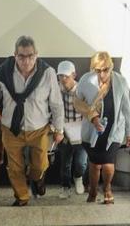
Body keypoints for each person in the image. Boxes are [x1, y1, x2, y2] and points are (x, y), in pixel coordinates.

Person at [0, 36, 64, 206]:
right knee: (15, 167)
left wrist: (59, 129)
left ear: (37, 55)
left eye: (30, 56)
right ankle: (22, 197)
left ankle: (37, 178)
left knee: (40, 165)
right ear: (14, 55)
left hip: (39, 128)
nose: (26, 61)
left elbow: (56, 103)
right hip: (10, 128)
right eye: (21, 56)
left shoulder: (47, 73)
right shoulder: (3, 72)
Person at [74, 51, 130, 205]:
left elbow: (127, 108)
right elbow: (77, 102)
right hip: (92, 129)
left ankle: (107, 188)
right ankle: (93, 190)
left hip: (113, 130)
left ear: (111, 67)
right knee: (94, 164)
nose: (102, 74)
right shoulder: (86, 80)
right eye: (98, 70)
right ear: (93, 69)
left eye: (105, 69)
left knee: (108, 162)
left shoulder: (120, 81)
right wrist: (92, 116)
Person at [56, 60, 88, 198]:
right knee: (65, 163)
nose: (63, 79)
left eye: (66, 76)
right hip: (64, 132)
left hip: (81, 132)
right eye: (60, 76)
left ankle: (78, 178)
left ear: (74, 75)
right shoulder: (56, 90)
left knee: (81, 163)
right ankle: (65, 187)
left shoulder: (83, 90)